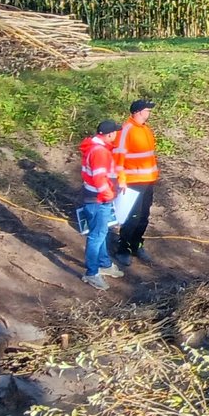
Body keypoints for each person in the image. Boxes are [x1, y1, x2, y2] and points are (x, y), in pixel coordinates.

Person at [111, 99, 159, 266]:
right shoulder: (126, 130)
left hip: (148, 180)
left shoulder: (146, 129)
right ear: (138, 112)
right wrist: (121, 179)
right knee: (132, 217)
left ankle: (136, 244)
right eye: (147, 110)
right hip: (132, 181)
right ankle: (123, 248)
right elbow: (118, 156)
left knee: (144, 216)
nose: (149, 113)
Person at [78, 120, 125, 290]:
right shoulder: (100, 152)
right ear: (110, 134)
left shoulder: (95, 148)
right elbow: (99, 179)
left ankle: (104, 263)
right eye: (115, 133)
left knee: (102, 231)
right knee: (97, 235)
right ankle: (91, 273)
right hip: (98, 199)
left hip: (95, 198)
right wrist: (109, 195)